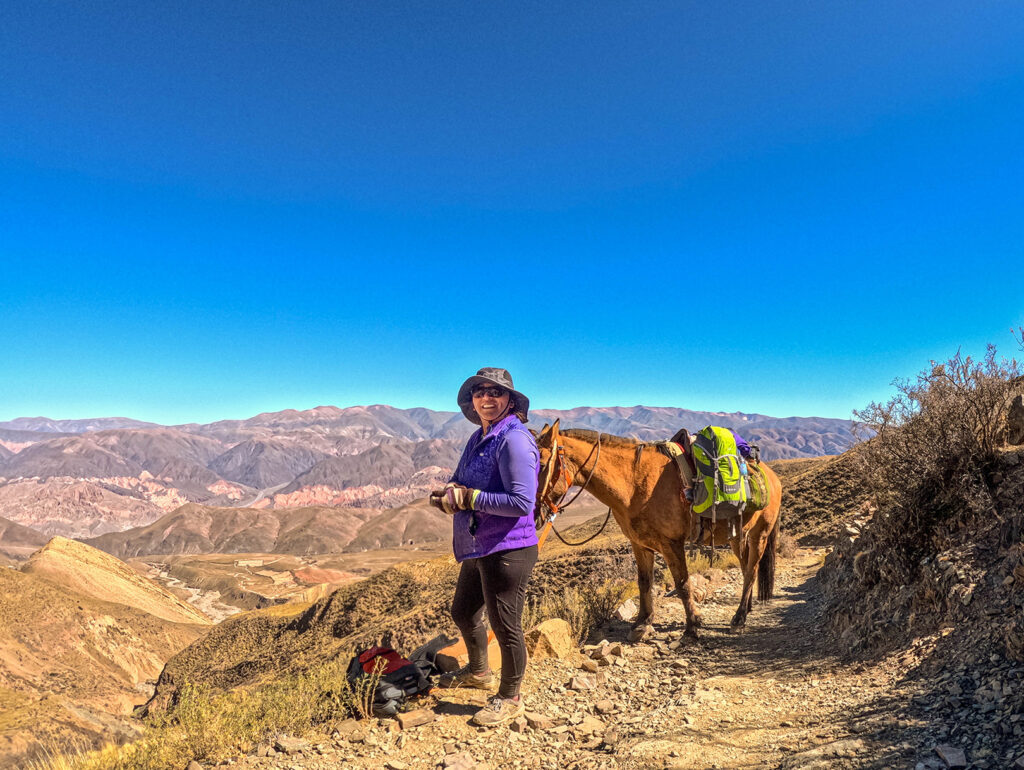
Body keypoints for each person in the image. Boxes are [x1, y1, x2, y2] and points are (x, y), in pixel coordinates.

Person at [428, 367, 539, 727]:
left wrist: (471, 498)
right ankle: (478, 673)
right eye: (480, 392)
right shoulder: (479, 437)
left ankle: (511, 697)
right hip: (480, 543)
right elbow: (460, 477)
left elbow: (522, 502)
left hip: (508, 548)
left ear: (509, 400)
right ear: (472, 400)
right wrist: (450, 492)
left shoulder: (515, 440)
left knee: (506, 625)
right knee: (463, 611)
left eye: (496, 392)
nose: (487, 398)